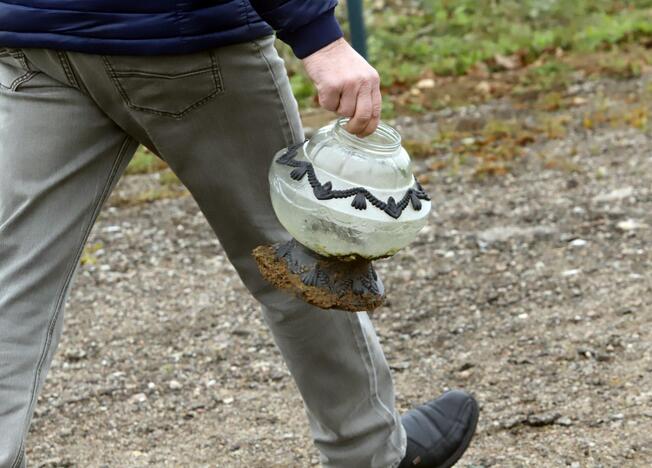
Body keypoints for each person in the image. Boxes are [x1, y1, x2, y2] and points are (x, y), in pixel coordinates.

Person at [0, 1, 479, 467]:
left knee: (13, 279)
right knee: (297, 254)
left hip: (37, 40)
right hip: (181, 38)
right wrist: (318, 35)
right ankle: (370, 453)